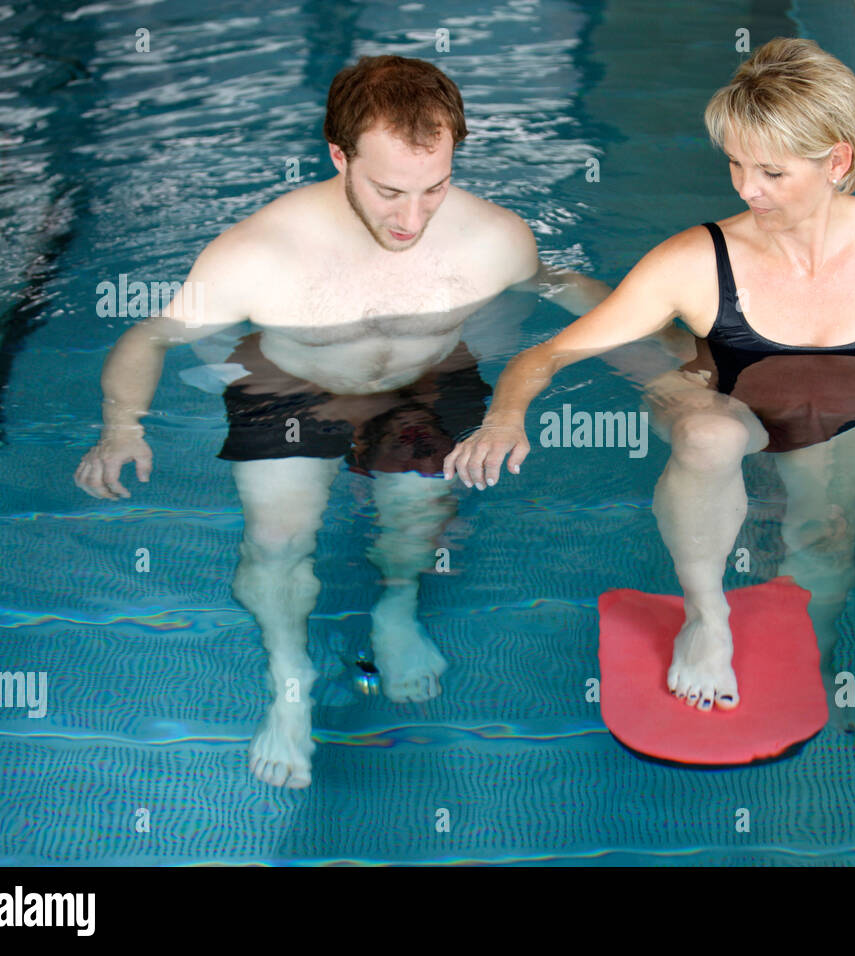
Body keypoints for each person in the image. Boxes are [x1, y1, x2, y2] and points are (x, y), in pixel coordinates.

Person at [444, 37, 855, 721]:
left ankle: (830, 640)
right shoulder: (694, 259)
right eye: (736, 165)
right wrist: (505, 417)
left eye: (771, 173)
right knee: (705, 426)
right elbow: (544, 358)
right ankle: (706, 617)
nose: (747, 189)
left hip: (842, 415)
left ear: (837, 161)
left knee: (828, 539)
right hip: (713, 389)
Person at [73, 55, 611, 788]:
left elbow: (564, 288)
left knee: (416, 515)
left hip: (421, 382)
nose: (413, 219)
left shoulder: (493, 237)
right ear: (339, 157)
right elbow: (151, 336)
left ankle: (397, 606)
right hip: (291, 386)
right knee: (275, 536)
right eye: (390, 191)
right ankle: (288, 679)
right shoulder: (258, 254)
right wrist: (123, 426)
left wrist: (676, 365)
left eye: (436, 188)